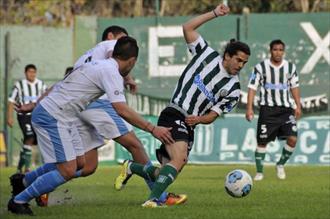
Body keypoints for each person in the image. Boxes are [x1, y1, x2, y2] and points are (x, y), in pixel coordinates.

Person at [7, 36, 174, 215]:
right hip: (53, 116)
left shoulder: (96, 64)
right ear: (132, 61)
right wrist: (153, 128)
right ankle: (19, 200)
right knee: (68, 169)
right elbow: (122, 109)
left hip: (64, 116)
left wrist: (34, 104)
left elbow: (60, 84)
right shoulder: (111, 71)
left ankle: (23, 182)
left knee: (81, 163)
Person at [115, 3, 251, 207]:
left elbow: (213, 115)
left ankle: (131, 168)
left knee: (167, 170)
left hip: (190, 124)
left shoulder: (233, 89)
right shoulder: (206, 54)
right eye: (238, 60)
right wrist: (214, 13)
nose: (240, 66)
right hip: (175, 112)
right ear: (227, 56)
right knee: (179, 159)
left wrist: (199, 119)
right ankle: (153, 201)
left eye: (244, 63)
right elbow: (187, 28)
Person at [245, 39, 301, 181]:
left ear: (284, 51)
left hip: (286, 110)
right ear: (270, 51)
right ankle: (259, 172)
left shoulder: (290, 67)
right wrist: (249, 108)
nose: (278, 52)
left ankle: (280, 164)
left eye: (281, 50)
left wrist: (298, 105)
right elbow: (252, 87)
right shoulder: (260, 67)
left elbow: (294, 87)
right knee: (262, 142)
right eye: (275, 49)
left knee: (293, 139)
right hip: (267, 110)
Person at [7, 64, 47, 173]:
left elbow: (46, 99)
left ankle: (20, 166)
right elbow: (11, 101)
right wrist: (9, 117)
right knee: (29, 136)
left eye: (34, 72)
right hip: (23, 116)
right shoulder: (19, 85)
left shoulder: (41, 85)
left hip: (36, 116)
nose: (32, 74)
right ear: (25, 73)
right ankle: (27, 168)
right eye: (30, 72)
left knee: (30, 141)